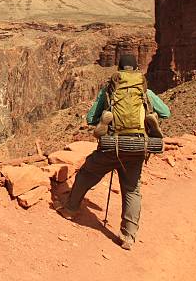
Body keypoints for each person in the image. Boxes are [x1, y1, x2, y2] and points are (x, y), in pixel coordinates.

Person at [57, 54, 170, 250]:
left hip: (111, 146)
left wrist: (106, 118)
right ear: (136, 71)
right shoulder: (144, 92)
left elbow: (91, 118)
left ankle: (70, 209)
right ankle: (128, 236)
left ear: (118, 70)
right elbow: (166, 113)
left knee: (87, 173)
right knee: (132, 190)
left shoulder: (109, 90)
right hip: (136, 148)